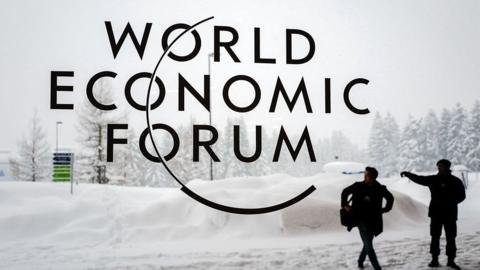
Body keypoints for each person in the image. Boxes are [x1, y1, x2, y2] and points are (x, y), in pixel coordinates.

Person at [401, 159, 466, 270]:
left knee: (451, 238)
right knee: (435, 237)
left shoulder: (455, 181)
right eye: (438, 166)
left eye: (441, 166)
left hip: (450, 214)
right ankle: (434, 260)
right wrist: (408, 174)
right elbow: (419, 179)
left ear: (447, 167)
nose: (439, 168)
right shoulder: (433, 179)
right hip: (436, 214)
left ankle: (451, 261)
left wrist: (451, 202)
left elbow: (462, 196)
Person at [341, 167, 394, 270]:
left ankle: (360, 261)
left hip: (374, 220)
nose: (364, 176)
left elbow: (390, 198)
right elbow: (345, 192)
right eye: (365, 174)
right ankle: (377, 268)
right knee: (369, 245)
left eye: (367, 174)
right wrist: (345, 205)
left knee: (367, 242)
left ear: (372, 177)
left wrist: (385, 209)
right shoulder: (358, 186)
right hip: (360, 219)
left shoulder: (380, 188)